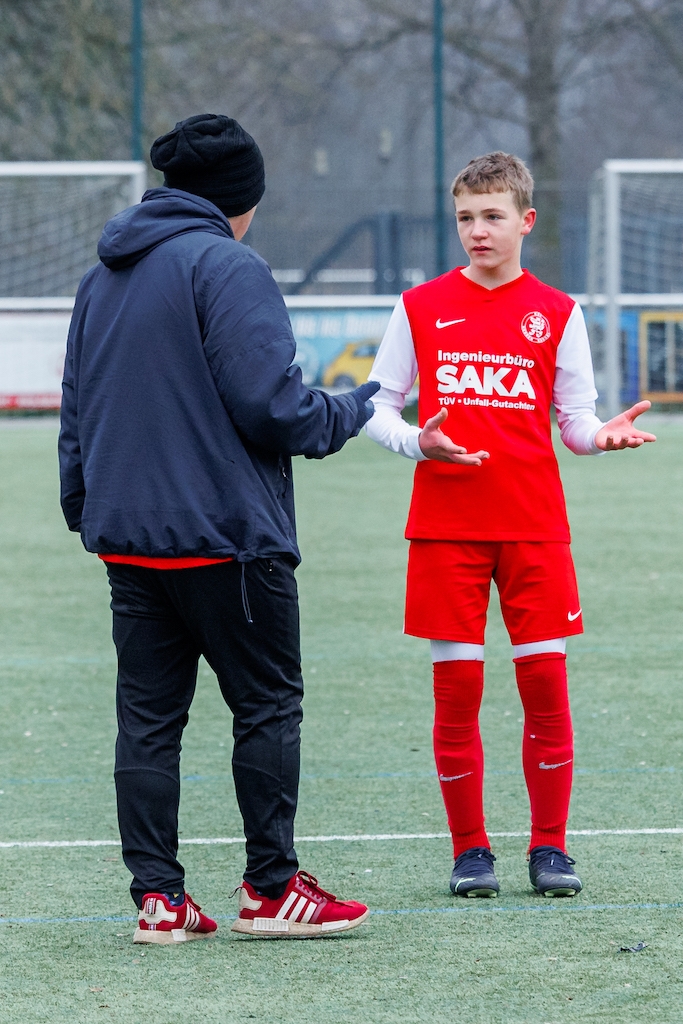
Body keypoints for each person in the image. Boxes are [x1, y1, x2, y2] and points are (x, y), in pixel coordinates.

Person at [59, 113, 376, 942]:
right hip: (227, 539)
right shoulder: (228, 264)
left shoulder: (102, 276)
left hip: (129, 539)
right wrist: (353, 411)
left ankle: (159, 901)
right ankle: (271, 890)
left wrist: (85, 506)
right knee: (267, 706)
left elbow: (77, 407)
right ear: (242, 198)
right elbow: (274, 408)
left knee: (147, 721)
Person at [365, 151, 655, 899]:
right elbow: (376, 407)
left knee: (545, 688)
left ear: (525, 220)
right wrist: (417, 442)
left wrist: (602, 436)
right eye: (465, 217)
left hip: (532, 527)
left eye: (492, 216)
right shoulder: (418, 306)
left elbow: (575, 421)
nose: (477, 230)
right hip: (444, 528)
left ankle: (549, 848)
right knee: (456, 692)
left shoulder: (557, 311)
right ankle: (470, 853)